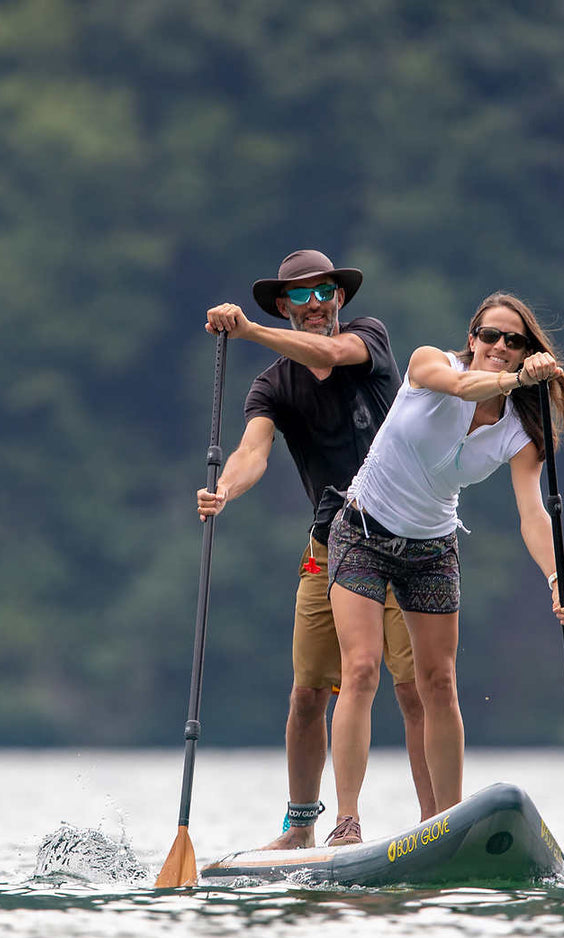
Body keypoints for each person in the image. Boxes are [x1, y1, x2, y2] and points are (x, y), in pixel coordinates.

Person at [324, 292, 564, 842]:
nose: (498, 346)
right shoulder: (431, 365)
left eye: (513, 342)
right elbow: (467, 387)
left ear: (524, 351)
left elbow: (533, 512)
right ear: (472, 338)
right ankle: (347, 821)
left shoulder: (521, 429)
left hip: (432, 549)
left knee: (439, 682)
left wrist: (555, 576)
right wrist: (519, 380)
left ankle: (448, 823)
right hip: (363, 531)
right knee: (363, 669)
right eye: (489, 335)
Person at [199, 249, 434, 850]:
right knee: (308, 693)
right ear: (284, 306)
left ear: (340, 299)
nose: (315, 304)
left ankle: (438, 822)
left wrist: (248, 330)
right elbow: (253, 452)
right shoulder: (272, 386)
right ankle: (300, 826)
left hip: (400, 535)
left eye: (324, 292)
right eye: (300, 296)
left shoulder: (367, 339)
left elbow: (329, 355)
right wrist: (223, 489)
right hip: (330, 544)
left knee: (411, 687)